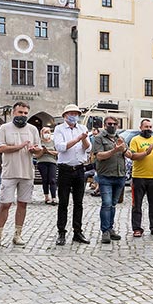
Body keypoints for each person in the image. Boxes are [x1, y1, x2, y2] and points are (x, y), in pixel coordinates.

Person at [0, 101, 43, 249]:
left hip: (27, 172)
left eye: (26, 113)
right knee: (5, 204)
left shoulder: (32, 129)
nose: (23, 115)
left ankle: (17, 234)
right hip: (9, 172)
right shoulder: (4, 128)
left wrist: (35, 150)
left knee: (22, 204)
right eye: (20, 112)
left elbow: (39, 151)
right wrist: (18, 147)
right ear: (14, 112)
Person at [54, 104, 91, 245]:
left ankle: (77, 231)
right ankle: (61, 232)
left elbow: (88, 148)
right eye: (71, 113)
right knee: (63, 202)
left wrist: (84, 139)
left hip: (79, 169)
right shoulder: (59, 129)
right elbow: (61, 147)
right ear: (65, 116)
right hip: (65, 169)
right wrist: (77, 139)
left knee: (79, 203)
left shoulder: (82, 128)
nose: (73, 116)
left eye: (76, 114)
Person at [126, 118, 153, 237]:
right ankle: (137, 228)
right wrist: (145, 153)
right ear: (141, 128)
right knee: (137, 204)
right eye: (146, 127)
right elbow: (132, 156)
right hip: (138, 177)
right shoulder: (135, 140)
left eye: (150, 127)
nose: (148, 129)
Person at [91, 116, 126, 243]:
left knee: (113, 204)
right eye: (109, 124)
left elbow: (127, 153)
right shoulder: (99, 138)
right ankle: (105, 231)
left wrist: (125, 149)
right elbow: (99, 156)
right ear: (105, 125)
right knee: (106, 203)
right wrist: (114, 150)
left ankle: (110, 228)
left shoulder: (119, 138)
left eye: (114, 123)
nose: (112, 126)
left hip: (119, 175)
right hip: (105, 176)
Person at [37, 126, 58, 205]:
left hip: (52, 162)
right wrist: (42, 152)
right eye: (45, 132)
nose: (47, 134)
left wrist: (48, 151)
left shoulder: (53, 142)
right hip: (42, 162)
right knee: (45, 180)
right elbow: (36, 155)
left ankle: (54, 197)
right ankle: (46, 196)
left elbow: (57, 152)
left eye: (48, 132)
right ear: (41, 133)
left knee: (52, 180)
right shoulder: (39, 142)